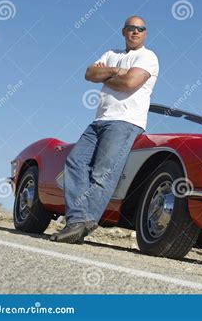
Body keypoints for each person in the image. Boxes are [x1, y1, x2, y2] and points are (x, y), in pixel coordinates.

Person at [50, 15, 159, 244]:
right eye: (131, 28)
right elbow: (89, 74)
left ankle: (83, 223)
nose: (136, 32)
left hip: (125, 121)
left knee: (102, 173)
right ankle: (79, 221)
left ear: (145, 33)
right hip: (99, 120)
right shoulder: (112, 54)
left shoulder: (148, 57)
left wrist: (108, 74)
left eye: (141, 29)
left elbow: (130, 83)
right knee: (75, 163)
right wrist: (117, 72)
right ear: (123, 31)